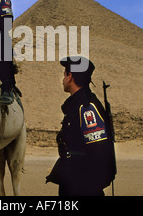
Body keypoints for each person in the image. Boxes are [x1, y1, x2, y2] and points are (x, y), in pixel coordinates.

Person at [46, 56, 116, 196]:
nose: (63, 79)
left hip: (83, 185)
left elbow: (99, 149)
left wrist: (91, 184)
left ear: (70, 76)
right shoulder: (76, 105)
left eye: (64, 74)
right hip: (73, 180)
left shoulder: (87, 108)